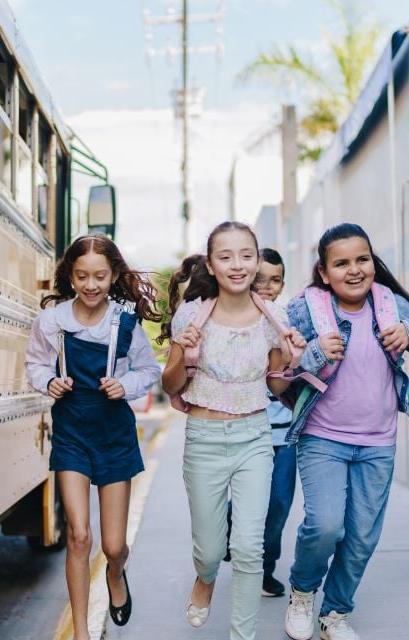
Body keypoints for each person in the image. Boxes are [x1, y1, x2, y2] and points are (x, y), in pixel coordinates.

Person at [282, 223, 409, 640]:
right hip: (323, 438)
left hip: (377, 442)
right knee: (324, 525)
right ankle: (302, 591)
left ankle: (335, 613)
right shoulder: (305, 309)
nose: (354, 269)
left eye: (362, 259)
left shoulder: (390, 305)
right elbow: (279, 375)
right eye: (341, 263)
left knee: (361, 538)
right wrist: (313, 353)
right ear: (324, 273)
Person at [158, 222, 305, 640]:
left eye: (246, 255)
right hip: (203, 440)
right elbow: (171, 385)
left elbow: (276, 387)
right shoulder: (192, 314)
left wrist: (292, 361)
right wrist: (185, 354)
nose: (237, 265)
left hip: (254, 438)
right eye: (225, 257)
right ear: (211, 264)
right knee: (209, 551)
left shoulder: (273, 318)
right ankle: (205, 578)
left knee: (248, 547)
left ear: (257, 262)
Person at [25, 234, 162, 640]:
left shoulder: (124, 323)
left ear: (114, 275)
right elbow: (34, 364)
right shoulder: (51, 322)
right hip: (71, 433)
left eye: (100, 276)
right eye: (82, 276)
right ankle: (82, 633)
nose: (90, 285)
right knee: (79, 535)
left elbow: (149, 370)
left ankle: (116, 573)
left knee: (114, 545)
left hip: (114, 434)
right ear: (70, 276)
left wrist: (125, 385)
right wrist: (48, 381)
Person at [254, 248, 297, 598]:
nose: (268, 286)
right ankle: (228, 534)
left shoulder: (289, 322)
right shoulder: (234, 320)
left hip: (286, 435)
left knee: (279, 505)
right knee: (245, 504)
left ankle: (265, 570)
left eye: (276, 280)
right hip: (248, 431)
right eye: (261, 279)